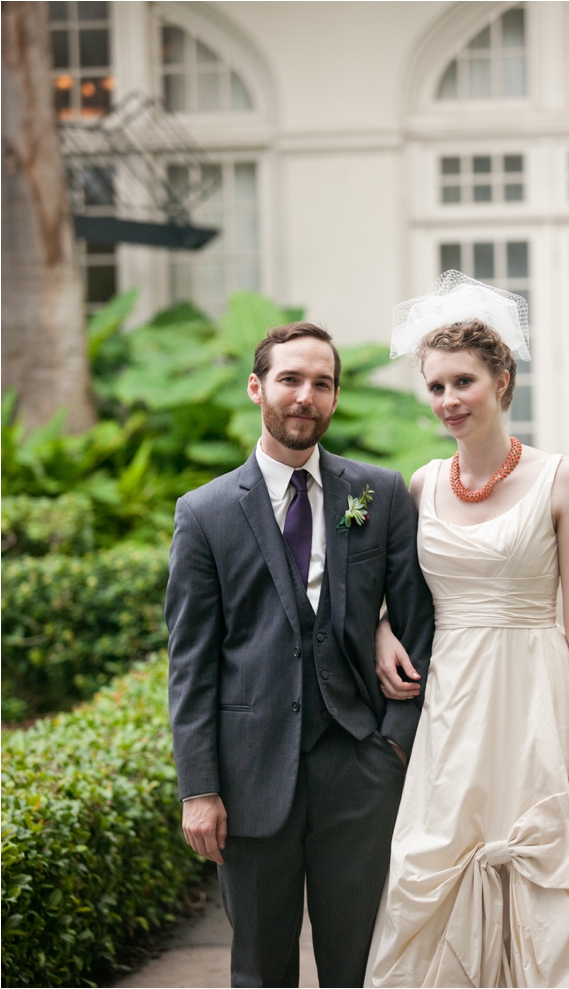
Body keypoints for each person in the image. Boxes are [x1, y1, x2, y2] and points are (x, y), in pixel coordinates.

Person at [366, 272, 569, 988]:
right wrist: (378, 629)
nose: (448, 401)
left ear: (502, 379)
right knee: (436, 862)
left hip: (538, 700)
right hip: (454, 706)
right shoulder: (421, 484)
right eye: (435, 387)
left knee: (557, 878)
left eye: (462, 382)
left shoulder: (563, 479)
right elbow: (390, 593)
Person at [165, 321, 435, 988]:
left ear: (335, 397)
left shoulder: (378, 494)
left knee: (361, 965)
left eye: (321, 382)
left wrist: (393, 748)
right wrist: (199, 787)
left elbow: (420, 624)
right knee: (260, 967)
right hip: (249, 776)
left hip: (359, 771)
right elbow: (191, 660)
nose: (304, 395)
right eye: (289, 379)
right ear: (258, 387)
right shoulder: (205, 513)